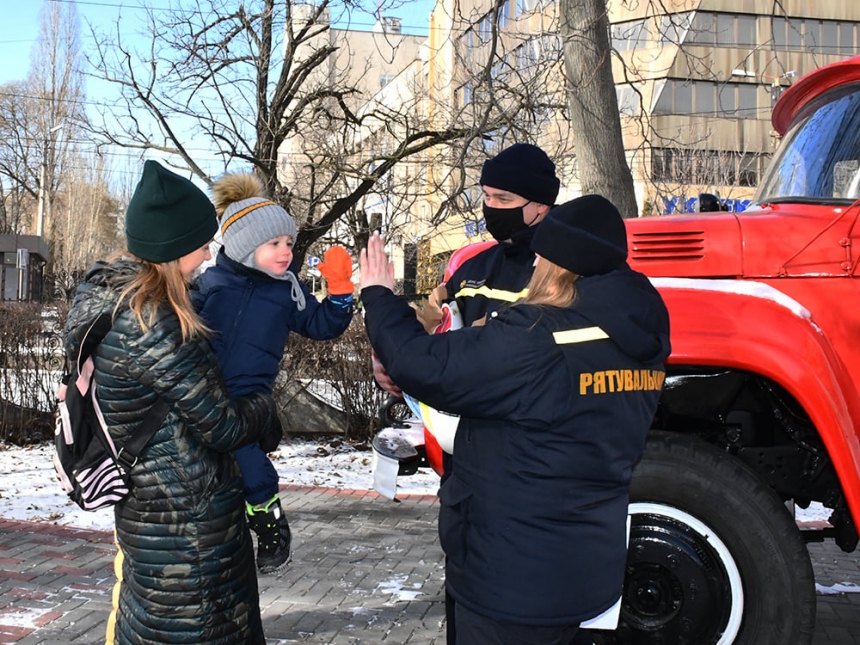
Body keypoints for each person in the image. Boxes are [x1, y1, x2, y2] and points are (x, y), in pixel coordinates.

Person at [359, 195, 671, 644]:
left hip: (513, 583)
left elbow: (423, 364)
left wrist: (378, 296)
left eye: (543, 255)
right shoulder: (638, 330)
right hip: (587, 571)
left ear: (562, 263)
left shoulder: (541, 337)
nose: (535, 262)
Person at [63, 160, 283, 645]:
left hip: (151, 511)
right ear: (173, 247)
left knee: (150, 624)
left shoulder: (107, 298)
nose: (209, 254)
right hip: (190, 524)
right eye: (202, 244)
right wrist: (266, 407)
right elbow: (223, 426)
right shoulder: (155, 323)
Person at [192, 172, 354, 573]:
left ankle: (270, 529)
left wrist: (340, 292)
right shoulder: (210, 284)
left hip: (247, 398)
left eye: (288, 243)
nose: (286, 252)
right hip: (200, 392)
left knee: (253, 469)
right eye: (274, 244)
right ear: (246, 246)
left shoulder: (287, 290)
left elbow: (323, 326)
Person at [373, 142, 560, 396]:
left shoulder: (564, 269)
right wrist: (390, 360)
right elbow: (433, 327)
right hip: (465, 428)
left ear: (541, 205)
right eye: (486, 196)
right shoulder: (473, 267)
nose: (491, 206)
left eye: (504, 199)